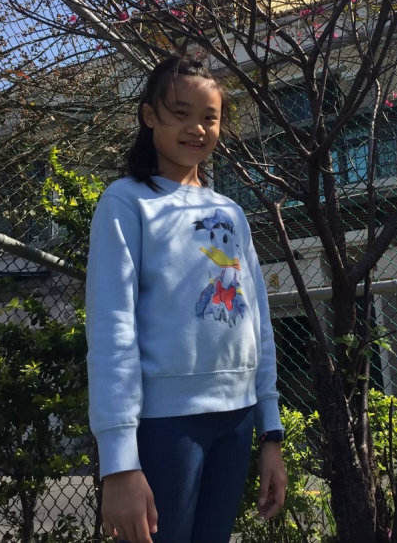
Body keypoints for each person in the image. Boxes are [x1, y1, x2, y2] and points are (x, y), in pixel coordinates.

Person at [86, 52, 288, 543]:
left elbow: (258, 323)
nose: (196, 129)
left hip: (238, 420)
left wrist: (270, 432)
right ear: (149, 116)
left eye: (209, 118)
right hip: (163, 424)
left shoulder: (231, 211)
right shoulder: (125, 202)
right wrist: (119, 463)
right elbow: (112, 330)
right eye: (180, 113)